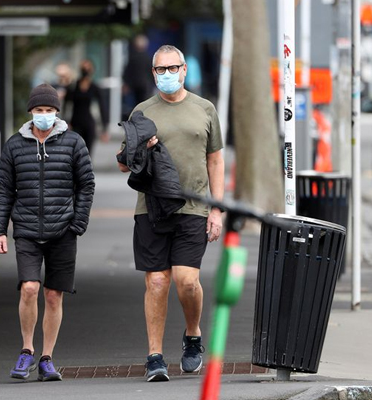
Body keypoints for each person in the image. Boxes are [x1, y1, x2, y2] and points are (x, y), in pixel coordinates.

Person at [116, 45, 224, 382]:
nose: (166, 75)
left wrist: (216, 209)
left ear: (184, 70)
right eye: (160, 70)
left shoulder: (204, 109)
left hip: (193, 206)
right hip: (151, 208)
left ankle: (193, 335)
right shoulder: (142, 112)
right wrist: (138, 149)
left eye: (172, 68)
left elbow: (216, 160)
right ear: (153, 73)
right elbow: (123, 164)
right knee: (158, 281)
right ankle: (154, 356)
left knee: (186, 280)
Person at [0, 83, 95, 382]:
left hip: (63, 230)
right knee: (30, 288)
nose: (44, 116)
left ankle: (47, 357)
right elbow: (3, 189)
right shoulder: (14, 145)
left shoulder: (74, 143)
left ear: (57, 113)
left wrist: (78, 222)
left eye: (49, 111)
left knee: (53, 295)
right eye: (39, 110)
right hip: (26, 230)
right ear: (31, 112)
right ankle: (26, 350)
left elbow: (86, 184)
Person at [64, 60, 109, 158]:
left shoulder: (94, 87)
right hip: (75, 123)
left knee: (88, 153)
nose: (85, 70)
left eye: (88, 68)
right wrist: (65, 122)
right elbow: (66, 104)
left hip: (89, 123)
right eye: (84, 68)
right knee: (75, 152)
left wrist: (104, 127)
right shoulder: (73, 86)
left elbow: (102, 107)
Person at [123, 34, 154, 111]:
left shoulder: (132, 58)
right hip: (146, 85)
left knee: (136, 105)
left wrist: (127, 83)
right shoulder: (148, 58)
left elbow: (127, 72)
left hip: (134, 85)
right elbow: (152, 72)